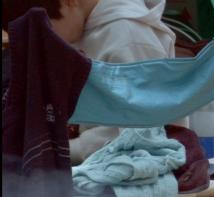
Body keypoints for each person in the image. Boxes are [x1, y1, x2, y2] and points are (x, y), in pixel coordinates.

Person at [1, 0, 178, 164]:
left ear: (68, 1)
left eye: (45, 31)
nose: (43, 42)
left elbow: (143, 132)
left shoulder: (129, 37)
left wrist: (61, 149)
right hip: (94, 168)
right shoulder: (79, 24)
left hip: (133, 176)